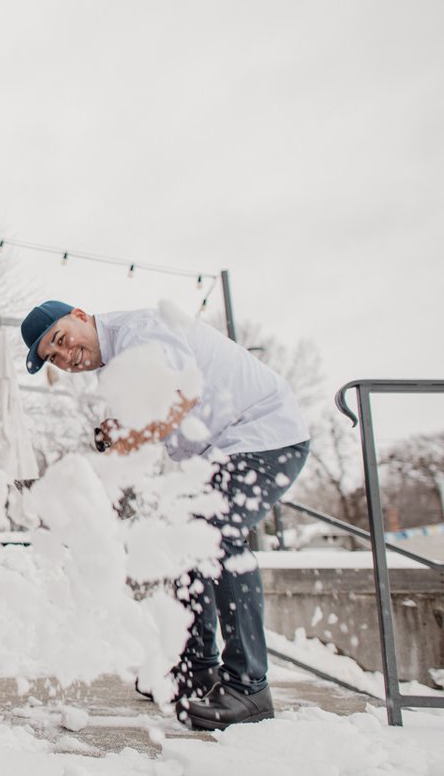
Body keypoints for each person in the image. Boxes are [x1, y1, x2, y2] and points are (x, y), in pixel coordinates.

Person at [20, 300, 309, 730]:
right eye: (53, 358)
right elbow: (153, 423)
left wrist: (115, 455)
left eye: (61, 340)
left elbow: (179, 398)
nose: (65, 357)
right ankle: (198, 669)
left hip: (266, 434)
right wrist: (117, 434)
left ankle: (249, 686)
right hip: (224, 452)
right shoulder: (115, 367)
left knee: (217, 535)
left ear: (79, 315)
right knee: (184, 542)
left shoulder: (140, 331)